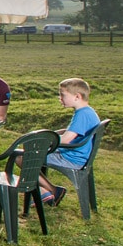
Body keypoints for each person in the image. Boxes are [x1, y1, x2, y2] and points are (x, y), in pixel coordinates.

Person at [38, 77, 101, 205]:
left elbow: (66, 140)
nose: (59, 98)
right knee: (30, 155)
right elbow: (72, 132)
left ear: (77, 96)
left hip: (71, 158)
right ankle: (45, 192)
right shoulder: (87, 111)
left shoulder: (82, 115)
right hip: (78, 156)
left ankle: (51, 191)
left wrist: (47, 140)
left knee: (23, 158)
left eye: (62, 95)